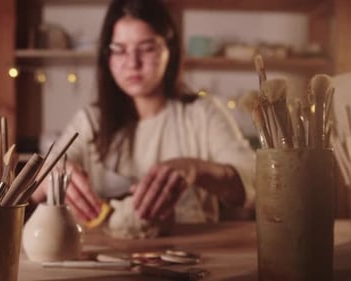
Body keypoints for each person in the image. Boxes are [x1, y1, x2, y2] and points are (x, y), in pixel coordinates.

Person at [32, 0, 255, 224]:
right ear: (106, 57)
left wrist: (195, 169)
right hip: (106, 254)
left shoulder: (201, 114)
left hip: (191, 254)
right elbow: (36, 187)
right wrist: (50, 175)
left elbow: (253, 184)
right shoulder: (91, 120)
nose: (132, 63)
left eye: (147, 48)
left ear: (170, 51)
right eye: (119, 50)